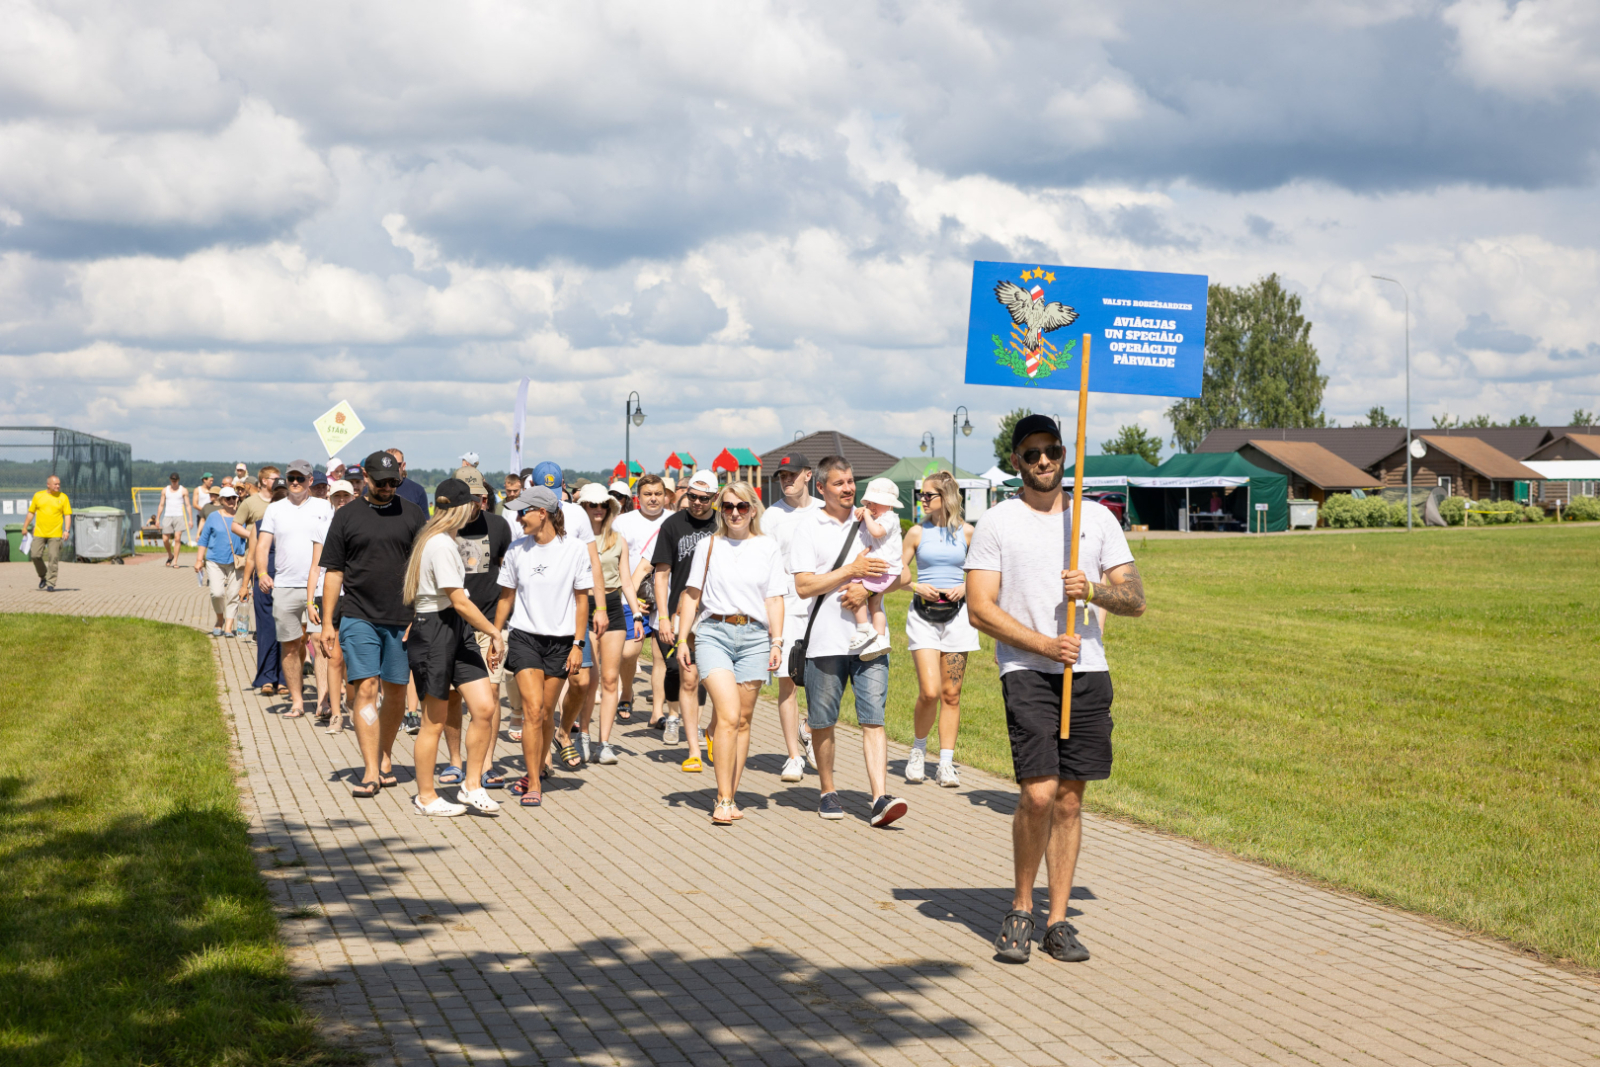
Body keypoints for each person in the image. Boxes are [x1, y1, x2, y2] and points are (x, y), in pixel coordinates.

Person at [966, 413, 1146, 965]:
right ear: (1017, 460)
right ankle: (1021, 909)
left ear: (1065, 454)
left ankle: (1058, 920)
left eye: (1052, 451)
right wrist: (1044, 646)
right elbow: (979, 610)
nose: (1043, 461)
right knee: (1038, 793)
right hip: (1027, 669)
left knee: (1069, 801)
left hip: (1087, 669)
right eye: (1032, 453)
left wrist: (1092, 588)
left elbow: (1135, 598)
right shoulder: (998, 522)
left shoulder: (1096, 519)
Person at [790, 456, 908, 827]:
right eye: (839, 483)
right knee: (824, 721)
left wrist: (865, 589)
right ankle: (827, 790)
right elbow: (804, 585)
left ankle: (878, 798)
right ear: (821, 487)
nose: (848, 488)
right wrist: (851, 572)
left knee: (873, 717)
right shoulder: (808, 527)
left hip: (869, 642)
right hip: (825, 642)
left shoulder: (872, 520)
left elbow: (901, 574)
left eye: (851, 480)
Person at [316, 450, 428, 797]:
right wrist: (328, 624)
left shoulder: (412, 514)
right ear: (365, 477)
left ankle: (384, 753)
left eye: (394, 482)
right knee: (365, 689)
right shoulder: (346, 516)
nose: (387, 488)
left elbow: (424, 569)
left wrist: (419, 615)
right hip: (358, 615)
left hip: (401, 618)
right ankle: (369, 770)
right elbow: (333, 571)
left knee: (395, 692)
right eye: (381, 482)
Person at [674, 481, 786, 824]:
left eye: (741, 506)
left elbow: (774, 598)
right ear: (720, 510)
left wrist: (777, 641)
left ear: (753, 509)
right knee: (728, 715)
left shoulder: (768, 548)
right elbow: (691, 595)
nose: (734, 513)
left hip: (754, 636)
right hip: (714, 634)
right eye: (727, 507)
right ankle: (722, 799)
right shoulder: (709, 545)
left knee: (742, 720)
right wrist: (682, 640)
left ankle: (732, 794)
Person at [402, 478, 507, 817]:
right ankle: (426, 796)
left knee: (484, 707)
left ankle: (471, 785)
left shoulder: (445, 540)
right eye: (474, 503)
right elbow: (459, 601)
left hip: (455, 629)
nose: (478, 507)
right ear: (464, 507)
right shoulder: (440, 545)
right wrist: (495, 632)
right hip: (435, 630)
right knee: (434, 720)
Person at [493, 486, 592, 808]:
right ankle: (534, 781)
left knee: (546, 713)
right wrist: (496, 635)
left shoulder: (575, 549)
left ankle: (540, 765)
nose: (519, 517)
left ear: (543, 513)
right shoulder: (516, 550)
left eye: (524, 511)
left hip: (561, 642)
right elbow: (506, 597)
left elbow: (581, 602)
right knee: (533, 710)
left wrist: (578, 645)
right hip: (524, 638)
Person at [435, 466, 517, 788]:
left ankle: (485, 762)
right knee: (453, 696)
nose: (477, 505)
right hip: (450, 624)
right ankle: (456, 761)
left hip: (488, 624)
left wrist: (500, 625)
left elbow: (507, 575)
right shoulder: (441, 534)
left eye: (481, 498)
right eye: (470, 499)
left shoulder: (499, 527)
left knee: (491, 696)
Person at [898, 471, 978, 788]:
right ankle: (918, 750)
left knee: (951, 694)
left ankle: (945, 763)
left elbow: (985, 572)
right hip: (923, 616)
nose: (922, 499)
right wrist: (917, 586)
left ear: (945, 496)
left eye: (927, 495)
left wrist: (966, 587)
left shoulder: (969, 533)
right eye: (921, 494)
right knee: (930, 692)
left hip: (958, 616)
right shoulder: (917, 533)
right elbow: (898, 572)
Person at [526, 461, 607, 767]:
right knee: (544, 687)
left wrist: (600, 607)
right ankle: (543, 756)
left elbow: (593, 562)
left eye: (555, 492)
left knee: (582, 682)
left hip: (574, 610)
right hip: (537, 615)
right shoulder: (522, 516)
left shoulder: (576, 515)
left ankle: (563, 732)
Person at [567, 481, 645, 766]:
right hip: (584, 608)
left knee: (610, 679)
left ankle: (605, 742)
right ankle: (583, 734)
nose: (598, 510)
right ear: (583, 508)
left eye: (603, 505)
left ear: (610, 508)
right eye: (592, 505)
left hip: (613, 607)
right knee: (589, 679)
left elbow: (626, 579)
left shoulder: (618, 540)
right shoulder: (573, 540)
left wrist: (636, 613)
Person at [651, 468, 720, 768]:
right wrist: (663, 617)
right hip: (682, 613)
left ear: (715, 498)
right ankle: (693, 749)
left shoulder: (723, 523)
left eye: (704, 499)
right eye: (692, 497)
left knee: (720, 682)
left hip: (717, 613)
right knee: (687, 678)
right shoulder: (672, 525)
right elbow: (661, 574)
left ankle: (714, 731)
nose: (697, 503)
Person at [257, 460, 334, 719]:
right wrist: (262, 572)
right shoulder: (275, 509)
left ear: (311, 481)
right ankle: (298, 701)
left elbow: (336, 542)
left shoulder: (325, 506)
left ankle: (323, 701)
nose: (295, 483)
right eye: (291, 478)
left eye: (300, 478)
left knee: (319, 642)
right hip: (286, 586)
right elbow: (262, 544)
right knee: (290, 646)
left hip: (320, 584)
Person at [760, 451, 821, 780]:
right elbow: (766, 565)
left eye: (792, 475)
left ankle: (809, 727)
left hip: (819, 607)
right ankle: (793, 756)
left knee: (821, 680)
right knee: (787, 681)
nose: (786, 480)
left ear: (808, 476)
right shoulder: (771, 517)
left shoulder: (824, 513)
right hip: (786, 606)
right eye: (782, 476)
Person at [612, 473, 671, 727]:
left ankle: (657, 712)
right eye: (648, 494)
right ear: (638, 497)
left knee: (661, 657)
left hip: (664, 598)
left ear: (665, 495)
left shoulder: (673, 520)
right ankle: (627, 691)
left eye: (658, 493)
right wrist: (631, 596)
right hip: (630, 596)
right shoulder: (623, 522)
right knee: (629, 652)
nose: (653, 498)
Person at [309, 479, 356, 730]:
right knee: (333, 655)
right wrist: (309, 600)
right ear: (330, 498)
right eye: (337, 496)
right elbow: (316, 565)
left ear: (352, 497)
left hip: (356, 595)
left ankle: (354, 703)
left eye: (345, 496)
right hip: (329, 594)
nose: (341, 500)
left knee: (353, 655)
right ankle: (336, 713)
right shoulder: (323, 525)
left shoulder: (361, 521)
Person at [844, 477, 902, 659]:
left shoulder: (889, 518)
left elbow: (876, 532)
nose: (871, 506)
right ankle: (880, 638)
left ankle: (864, 628)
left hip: (882, 569)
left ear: (889, 504)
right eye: (868, 503)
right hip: (882, 569)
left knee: (854, 589)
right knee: (875, 605)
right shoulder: (880, 517)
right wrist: (866, 516)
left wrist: (867, 515)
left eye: (876, 503)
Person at [236, 469, 283, 691]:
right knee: (266, 630)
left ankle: (284, 679)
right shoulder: (260, 524)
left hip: (289, 583)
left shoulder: (299, 524)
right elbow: (252, 557)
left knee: (288, 632)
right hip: (264, 583)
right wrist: (244, 584)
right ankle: (266, 677)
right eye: (279, 498)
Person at [195, 487, 246, 636]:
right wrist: (199, 560)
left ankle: (229, 626)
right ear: (221, 500)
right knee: (217, 593)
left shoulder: (242, 516)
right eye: (228, 498)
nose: (231, 501)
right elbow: (203, 539)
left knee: (233, 594)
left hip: (237, 562)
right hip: (214, 561)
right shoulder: (213, 516)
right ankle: (219, 619)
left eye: (234, 498)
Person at [24, 474, 72, 592]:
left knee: (53, 557)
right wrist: (25, 527)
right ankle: (43, 576)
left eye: (59, 484)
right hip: (39, 532)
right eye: (55, 484)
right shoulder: (38, 496)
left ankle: (51, 583)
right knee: (35, 555)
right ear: (48, 485)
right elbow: (31, 513)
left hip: (55, 534)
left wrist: (66, 530)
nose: (58, 486)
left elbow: (67, 515)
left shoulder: (63, 497)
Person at [159, 471, 192, 567]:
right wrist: (157, 518)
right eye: (173, 480)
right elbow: (161, 505)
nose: (174, 482)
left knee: (177, 539)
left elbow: (188, 505)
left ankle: (175, 562)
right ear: (170, 480)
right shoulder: (165, 490)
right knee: (165, 539)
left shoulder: (183, 490)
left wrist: (190, 519)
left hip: (179, 515)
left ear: (178, 480)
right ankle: (170, 555)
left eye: (176, 480)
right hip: (167, 515)